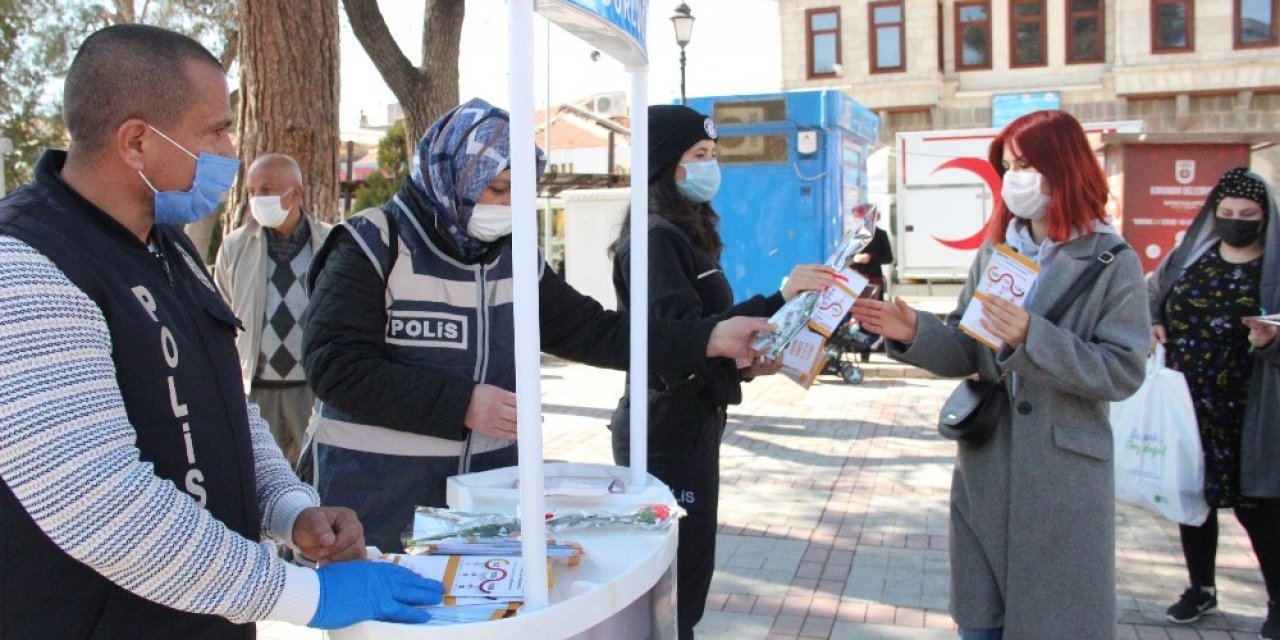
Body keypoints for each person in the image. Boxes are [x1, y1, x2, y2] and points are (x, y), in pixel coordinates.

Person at [0, 24, 446, 638]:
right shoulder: (27, 266)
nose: (230, 150)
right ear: (136, 142)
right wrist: (299, 594)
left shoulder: (169, 250)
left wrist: (292, 511)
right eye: (215, 129)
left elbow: (223, 404)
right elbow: (98, 503)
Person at [301, 97, 770, 554]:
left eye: (521, 192)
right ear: (451, 181)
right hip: (374, 506)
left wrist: (708, 339)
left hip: (484, 508)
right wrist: (462, 404)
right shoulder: (370, 245)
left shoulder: (516, 255)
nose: (509, 207)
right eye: (498, 190)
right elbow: (334, 366)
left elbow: (594, 331)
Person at [850, 110, 1149, 639]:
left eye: (1029, 164)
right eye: (1009, 165)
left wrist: (1033, 337)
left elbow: (1122, 370)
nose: (1016, 178)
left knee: (1055, 624)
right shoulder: (999, 250)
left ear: (1066, 167)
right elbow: (970, 350)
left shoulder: (1111, 260)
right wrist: (913, 330)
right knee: (982, 623)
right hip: (987, 467)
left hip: (1063, 478)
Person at [605, 104, 836, 640]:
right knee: (674, 592)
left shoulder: (683, 234)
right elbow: (678, 335)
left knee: (690, 578)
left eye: (713, 155)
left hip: (693, 421)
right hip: (662, 430)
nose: (711, 167)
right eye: (699, 156)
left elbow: (706, 334)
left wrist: (753, 361)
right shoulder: (654, 239)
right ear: (667, 165)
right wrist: (779, 296)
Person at [1147, 166, 1280, 639]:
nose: (1235, 221)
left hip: (1250, 408)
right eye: (1226, 213)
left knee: (1259, 508)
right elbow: (1151, 294)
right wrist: (1153, 321)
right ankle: (1200, 586)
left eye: (1247, 214)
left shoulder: (1274, 268)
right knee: (1193, 496)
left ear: (1265, 217)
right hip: (1190, 403)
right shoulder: (1191, 256)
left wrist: (1271, 343)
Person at [215, 153, 332, 465]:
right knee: (259, 477)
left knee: (317, 474)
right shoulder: (235, 247)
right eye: (251, 191)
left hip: (314, 388)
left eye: (266, 190)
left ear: (296, 193)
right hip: (257, 389)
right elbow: (221, 312)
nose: (257, 199)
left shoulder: (332, 243)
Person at [848, 204, 894, 359]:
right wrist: (854, 259)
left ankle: (867, 351)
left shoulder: (880, 234)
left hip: (873, 280)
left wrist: (870, 258)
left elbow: (888, 258)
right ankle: (853, 347)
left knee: (872, 315)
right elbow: (843, 257)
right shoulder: (852, 234)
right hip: (855, 280)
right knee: (854, 314)